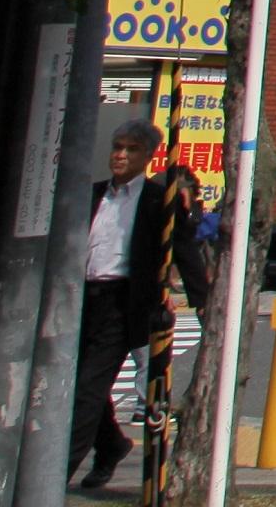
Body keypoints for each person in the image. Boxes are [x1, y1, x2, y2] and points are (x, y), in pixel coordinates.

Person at [72, 119, 212, 492]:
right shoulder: (92, 195)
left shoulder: (157, 200)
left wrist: (203, 303)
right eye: (117, 146)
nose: (120, 154)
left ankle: (54, 475)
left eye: (131, 149)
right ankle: (112, 446)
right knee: (77, 383)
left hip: (125, 303)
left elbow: (185, 252)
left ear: (149, 156)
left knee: (85, 390)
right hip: (82, 300)